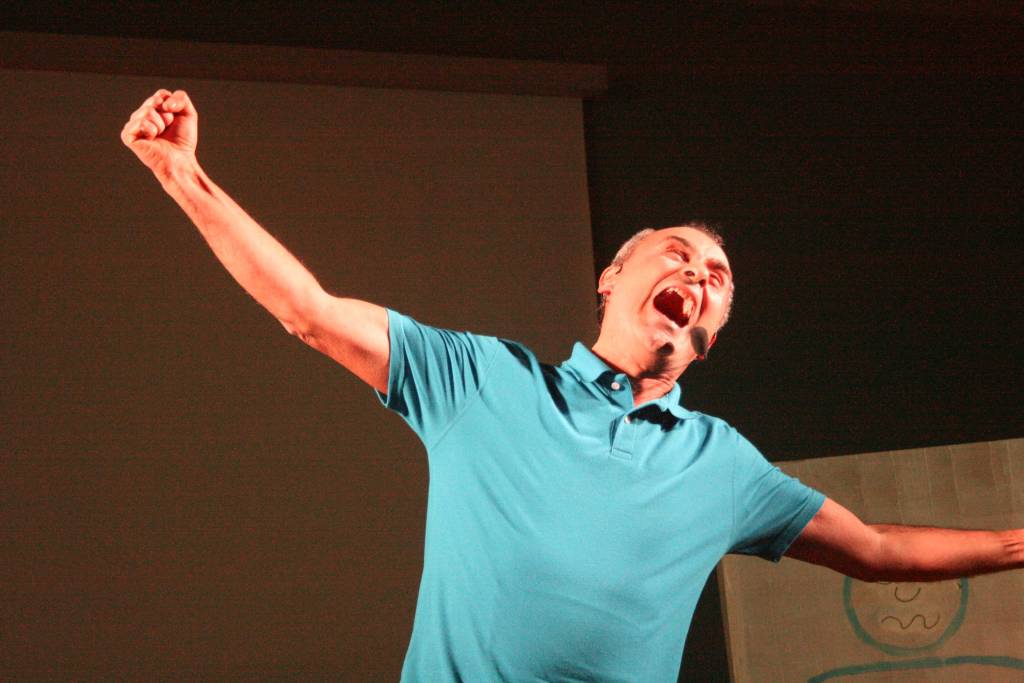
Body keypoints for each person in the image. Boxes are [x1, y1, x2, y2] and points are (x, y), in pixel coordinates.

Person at [122, 89, 1024, 682]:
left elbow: (877, 547)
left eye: (717, 276)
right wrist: (181, 172)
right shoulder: (481, 380)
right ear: (612, 277)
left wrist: (1016, 544)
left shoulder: (723, 465)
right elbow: (310, 310)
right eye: (676, 253)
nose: (699, 271)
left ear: (709, 337)